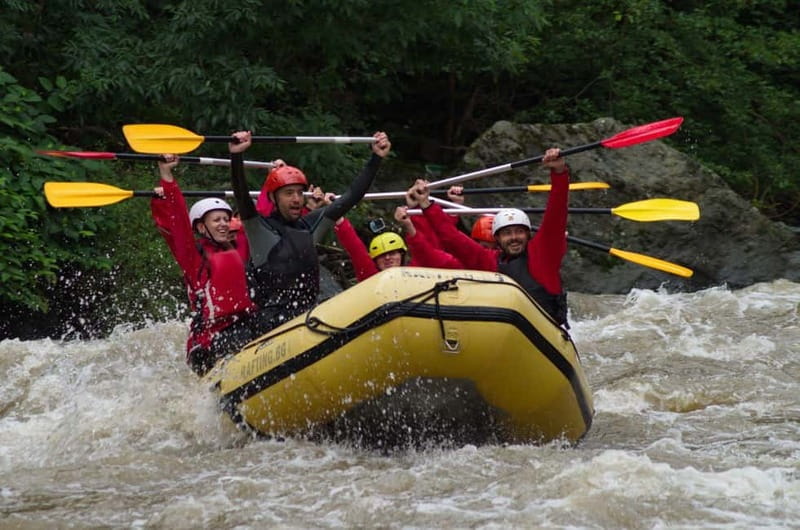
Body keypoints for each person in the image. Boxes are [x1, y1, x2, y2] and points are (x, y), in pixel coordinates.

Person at [228, 130, 391, 334]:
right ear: (272, 199)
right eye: (288, 193)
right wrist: (236, 156)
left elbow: (351, 196)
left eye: (299, 192)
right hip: (269, 327)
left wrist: (376, 158)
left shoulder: (310, 226)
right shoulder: (259, 229)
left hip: (307, 320)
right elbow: (241, 195)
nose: (297, 199)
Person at [408, 147, 570, 326]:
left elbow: (556, 213)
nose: (514, 237)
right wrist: (426, 204)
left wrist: (559, 172)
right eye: (507, 233)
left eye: (519, 231)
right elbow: (452, 239)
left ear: (528, 234)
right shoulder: (489, 261)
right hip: (506, 331)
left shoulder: (543, 254)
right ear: (498, 240)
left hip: (545, 330)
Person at [151, 155, 258, 375]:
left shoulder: (238, 247)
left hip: (243, 325)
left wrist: (277, 179)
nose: (223, 225)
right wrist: (167, 179)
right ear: (201, 227)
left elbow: (262, 218)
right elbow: (178, 224)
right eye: (216, 220)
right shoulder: (193, 257)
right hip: (209, 339)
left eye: (225, 220)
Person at [331, 205, 463, 282]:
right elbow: (356, 249)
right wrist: (339, 218)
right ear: (375, 261)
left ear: (402, 254)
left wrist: (416, 209)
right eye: (382, 256)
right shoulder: (371, 276)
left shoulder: (417, 269)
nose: (388, 258)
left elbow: (427, 245)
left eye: (392, 253)